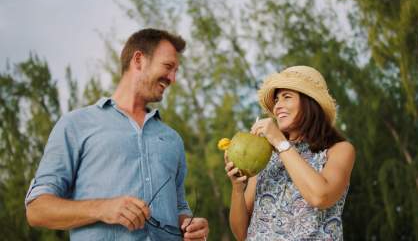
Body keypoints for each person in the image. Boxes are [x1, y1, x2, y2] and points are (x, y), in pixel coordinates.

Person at [25, 28, 209, 241]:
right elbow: (37, 210)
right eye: (168, 67)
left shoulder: (172, 139)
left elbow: (179, 207)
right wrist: (103, 208)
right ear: (138, 60)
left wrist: (191, 225)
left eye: (176, 71)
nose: (173, 78)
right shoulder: (76, 125)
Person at [225, 66, 355, 240]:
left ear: (310, 103)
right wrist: (238, 189)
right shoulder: (266, 155)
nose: (277, 106)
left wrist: (280, 142)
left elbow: (320, 197)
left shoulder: (339, 149)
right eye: (277, 100)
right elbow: (242, 234)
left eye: (287, 97)